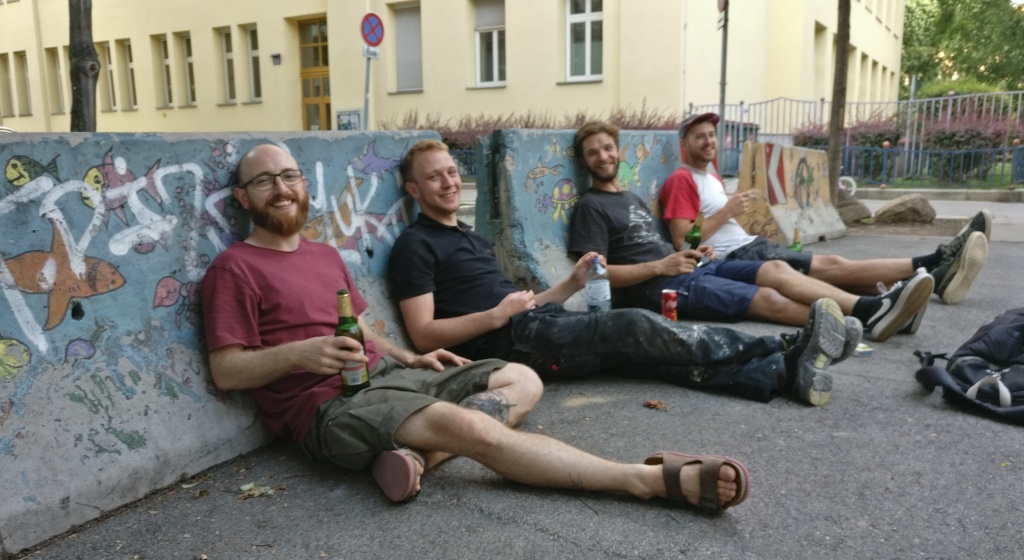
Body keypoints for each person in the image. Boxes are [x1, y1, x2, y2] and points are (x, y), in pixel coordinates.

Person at [201, 143, 751, 513]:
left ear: (303, 186)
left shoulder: (324, 255)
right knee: (480, 430)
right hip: (327, 409)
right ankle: (646, 480)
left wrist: (410, 358)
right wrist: (301, 353)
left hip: (389, 380)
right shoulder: (235, 268)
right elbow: (227, 371)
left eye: (290, 175)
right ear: (244, 197)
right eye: (265, 180)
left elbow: (364, 330)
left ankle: (418, 456)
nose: (281, 186)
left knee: (522, 379)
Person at [389, 139, 858, 407]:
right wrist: (496, 316)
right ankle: (785, 346)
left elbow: (527, 306)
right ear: (414, 188)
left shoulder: (471, 238)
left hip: (532, 327)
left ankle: (780, 375)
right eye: (434, 177)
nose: (449, 183)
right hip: (506, 345)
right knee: (636, 325)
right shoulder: (415, 244)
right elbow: (424, 334)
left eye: (452, 172)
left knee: (647, 355)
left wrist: (570, 285)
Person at [567, 120, 933, 343]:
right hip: (660, 290)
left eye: (607, 148)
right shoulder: (591, 206)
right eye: (593, 153)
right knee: (768, 299)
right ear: (584, 162)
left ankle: (871, 309)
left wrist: (692, 253)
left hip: (691, 267)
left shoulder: (631, 197)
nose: (602, 156)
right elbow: (595, 275)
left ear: (619, 151)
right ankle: (866, 316)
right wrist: (662, 267)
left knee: (776, 271)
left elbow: (663, 244)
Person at [659, 112, 991, 307]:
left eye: (712, 135)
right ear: (684, 145)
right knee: (832, 264)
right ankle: (933, 262)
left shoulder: (711, 176)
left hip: (748, 247)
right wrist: (729, 209)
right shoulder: (681, 180)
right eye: (699, 137)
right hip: (735, 258)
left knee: (830, 273)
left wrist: (731, 213)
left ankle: (928, 279)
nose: (708, 141)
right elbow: (682, 242)